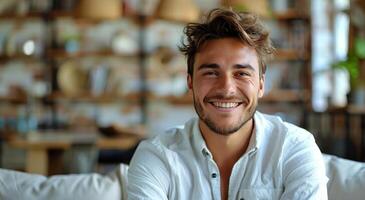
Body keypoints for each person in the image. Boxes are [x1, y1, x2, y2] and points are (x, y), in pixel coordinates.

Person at [127, 8, 328, 200]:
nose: (227, 89)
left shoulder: (294, 149)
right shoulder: (156, 156)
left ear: (260, 85)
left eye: (241, 73)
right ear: (190, 82)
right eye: (211, 73)